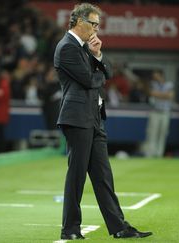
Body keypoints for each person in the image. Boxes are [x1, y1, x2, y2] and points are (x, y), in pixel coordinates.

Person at [54, 3, 152, 240]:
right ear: (78, 21)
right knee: (76, 175)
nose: (97, 29)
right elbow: (90, 80)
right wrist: (96, 66)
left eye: (98, 24)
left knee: (103, 177)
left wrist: (97, 55)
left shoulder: (85, 48)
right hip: (77, 118)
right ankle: (70, 229)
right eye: (93, 23)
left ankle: (119, 227)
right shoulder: (67, 47)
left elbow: (107, 71)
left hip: (94, 117)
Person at [142, 70, 174, 157]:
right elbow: (152, 93)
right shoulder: (153, 84)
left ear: (161, 75)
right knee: (152, 133)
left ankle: (159, 153)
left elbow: (170, 96)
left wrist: (159, 95)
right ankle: (150, 153)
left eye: (156, 76)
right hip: (155, 111)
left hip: (165, 112)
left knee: (162, 133)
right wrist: (164, 95)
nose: (155, 78)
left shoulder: (169, 84)